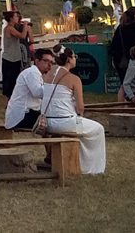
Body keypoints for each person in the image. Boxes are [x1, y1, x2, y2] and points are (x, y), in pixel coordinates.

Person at [42, 46, 106, 174]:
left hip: (46, 122)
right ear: (69, 60)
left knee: (84, 128)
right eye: (74, 56)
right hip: (65, 122)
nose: (75, 59)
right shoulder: (74, 79)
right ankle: (90, 167)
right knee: (98, 129)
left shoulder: (48, 73)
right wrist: (79, 114)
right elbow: (80, 107)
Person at [4, 49, 54, 130]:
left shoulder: (36, 74)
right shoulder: (32, 72)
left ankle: (50, 142)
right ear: (37, 61)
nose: (49, 65)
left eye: (51, 62)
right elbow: (38, 93)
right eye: (46, 61)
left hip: (27, 113)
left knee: (52, 119)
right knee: (54, 122)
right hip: (22, 115)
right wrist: (54, 87)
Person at [110, 7, 135, 87]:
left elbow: (114, 45)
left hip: (121, 60)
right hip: (133, 59)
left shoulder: (120, 28)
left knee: (124, 83)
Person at [0, 11, 24, 100]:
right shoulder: (9, 28)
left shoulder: (13, 27)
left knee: (14, 80)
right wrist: (25, 26)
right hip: (10, 58)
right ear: (11, 18)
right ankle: (8, 100)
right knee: (9, 81)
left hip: (14, 58)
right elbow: (22, 36)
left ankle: (11, 99)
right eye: (16, 16)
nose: (17, 18)